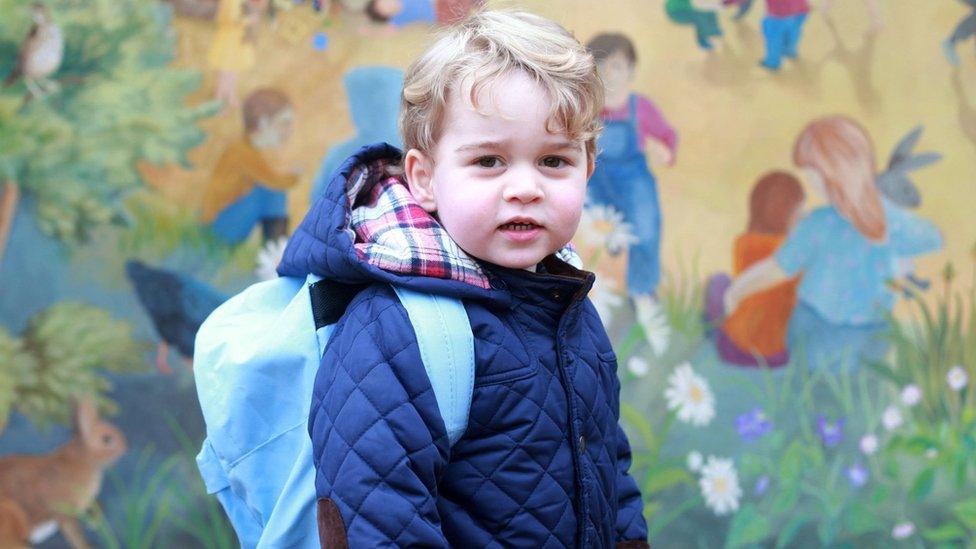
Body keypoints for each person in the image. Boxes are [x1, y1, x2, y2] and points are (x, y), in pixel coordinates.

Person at [278, 10, 649, 547]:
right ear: (424, 179)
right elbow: (378, 514)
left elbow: (609, 466)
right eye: (489, 161)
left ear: (587, 169)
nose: (525, 187)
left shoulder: (566, 304)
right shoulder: (398, 326)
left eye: (553, 161)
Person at [724, 116, 943, 372]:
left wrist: (737, 289)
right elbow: (932, 237)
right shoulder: (885, 218)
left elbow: (778, 268)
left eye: (814, 176)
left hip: (819, 331)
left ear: (834, 172)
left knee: (816, 382)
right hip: (866, 335)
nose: (813, 185)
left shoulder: (819, 223)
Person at [585, 33, 678, 336]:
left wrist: (663, 150)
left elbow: (667, 136)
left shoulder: (641, 108)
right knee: (589, 218)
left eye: (617, 66)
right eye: (601, 66)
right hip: (597, 179)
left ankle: (642, 291)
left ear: (631, 70)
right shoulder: (587, 108)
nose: (609, 74)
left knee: (647, 229)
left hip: (634, 179)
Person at [706, 171, 805, 368]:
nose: (803, 217)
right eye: (799, 212)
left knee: (718, 282)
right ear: (786, 214)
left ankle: (712, 330)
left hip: (732, 348)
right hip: (776, 357)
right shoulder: (793, 255)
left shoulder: (743, 243)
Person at [200, 88, 301, 244]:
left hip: (221, 223)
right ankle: (275, 253)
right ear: (262, 122)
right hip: (218, 229)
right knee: (273, 192)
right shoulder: (242, 152)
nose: (289, 131)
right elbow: (274, 181)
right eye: (284, 123)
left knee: (270, 192)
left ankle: (275, 252)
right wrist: (295, 175)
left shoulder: (246, 149)